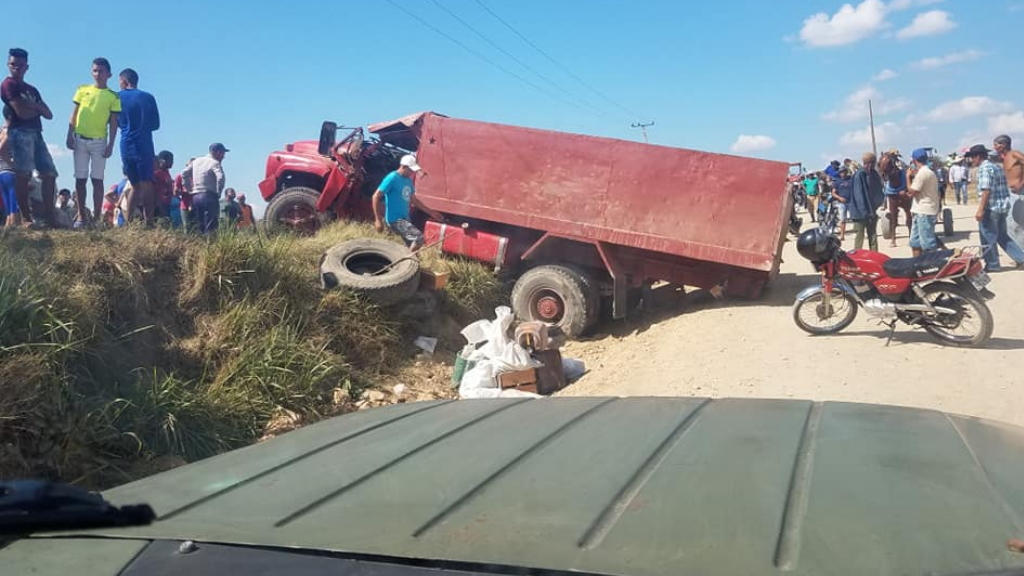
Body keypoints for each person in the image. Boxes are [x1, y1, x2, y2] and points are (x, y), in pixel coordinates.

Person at [1, 48, 57, 228]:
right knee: (23, 175)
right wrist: (36, 108)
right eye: (12, 64)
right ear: (8, 65)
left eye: (20, 65)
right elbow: (21, 112)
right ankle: (26, 218)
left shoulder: (32, 89)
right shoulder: (8, 84)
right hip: (20, 132)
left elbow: (49, 114)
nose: (16, 68)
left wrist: (32, 105)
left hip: (36, 133)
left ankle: (50, 217)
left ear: (27, 67)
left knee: (49, 173)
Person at [66, 57, 120, 227]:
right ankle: (82, 215)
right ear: (91, 72)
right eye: (95, 70)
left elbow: (113, 122)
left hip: (99, 141)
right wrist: (69, 134)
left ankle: (97, 218)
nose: (98, 74)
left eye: (101, 71)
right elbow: (74, 113)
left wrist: (111, 144)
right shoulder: (82, 90)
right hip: (80, 138)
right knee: (80, 178)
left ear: (109, 74)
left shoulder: (113, 96)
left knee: (97, 179)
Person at [967, 144, 1024, 272]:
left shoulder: (984, 168)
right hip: (1002, 207)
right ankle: (1021, 258)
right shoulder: (996, 167)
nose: (971, 160)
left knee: (988, 237)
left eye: (972, 157)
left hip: (990, 208)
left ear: (977, 157)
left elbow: (986, 191)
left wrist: (981, 209)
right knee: (1003, 236)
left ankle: (993, 264)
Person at [373, 154, 443, 249]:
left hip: (405, 218)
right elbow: (376, 196)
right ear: (403, 166)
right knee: (419, 238)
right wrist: (378, 220)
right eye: (410, 170)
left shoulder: (408, 181)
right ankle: (407, 262)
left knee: (410, 245)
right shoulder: (392, 178)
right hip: (395, 220)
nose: (412, 173)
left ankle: (405, 260)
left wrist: (431, 212)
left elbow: (414, 201)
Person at [117, 68, 160, 226]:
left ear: (124, 81)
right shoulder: (148, 97)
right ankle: (149, 220)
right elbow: (156, 124)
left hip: (126, 143)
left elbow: (113, 120)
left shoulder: (117, 97)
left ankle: (128, 222)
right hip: (144, 143)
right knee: (147, 182)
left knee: (133, 183)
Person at [184, 144, 227, 234]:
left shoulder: (196, 161)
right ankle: (210, 245)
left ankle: (200, 244)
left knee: (199, 225)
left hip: (195, 196)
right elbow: (221, 177)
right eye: (223, 153)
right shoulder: (214, 162)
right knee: (211, 226)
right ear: (218, 152)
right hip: (209, 195)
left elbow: (184, 173)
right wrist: (218, 192)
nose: (224, 156)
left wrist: (189, 189)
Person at [906, 148, 941, 257]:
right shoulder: (927, 172)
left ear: (914, 160)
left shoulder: (923, 173)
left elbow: (912, 190)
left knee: (927, 243)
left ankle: (932, 265)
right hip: (920, 210)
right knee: (915, 242)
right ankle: (917, 265)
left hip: (924, 212)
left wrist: (907, 177)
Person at [848, 152, 886, 251]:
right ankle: (857, 257)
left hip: (871, 212)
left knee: (873, 236)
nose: (872, 166)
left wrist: (875, 208)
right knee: (860, 236)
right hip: (860, 214)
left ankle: (874, 256)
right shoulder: (859, 175)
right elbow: (859, 196)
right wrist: (865, 213)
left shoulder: (874, 174)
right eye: (872, 163)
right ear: (867, 163)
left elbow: (879, 191)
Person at [880, 149, 911, 247]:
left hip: (903, 189)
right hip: (892, 193)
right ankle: (893, 239)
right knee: (893, 217)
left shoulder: (902, 165)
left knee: (908, 213)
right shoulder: (885, 163)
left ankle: (911, 235)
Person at [1, 123, 19, 227]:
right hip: (10, 171)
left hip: (1, 172)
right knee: (13, 201)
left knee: (7, 202)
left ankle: (8, 228)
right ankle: (14, 225)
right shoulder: (7, 134)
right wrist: (12, 163)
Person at [152, 150, 174, 222]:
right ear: (162, 160)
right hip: (159, 205)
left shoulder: (166, 172)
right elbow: (155, 192)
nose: (172, 163)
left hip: (166, 203)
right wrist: (160, 206)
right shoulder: (157, 174)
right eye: (170, 160)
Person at [831, 167, 853, 238]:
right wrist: (840, 198)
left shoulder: (851, 179)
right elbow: (833, 193)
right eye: (841, 172)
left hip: (851, 202)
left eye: (843, 172)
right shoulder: (837, 182)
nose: (842, 173)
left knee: (855, 218)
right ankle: (842, 235)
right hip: (841, 203)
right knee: (843, 219)